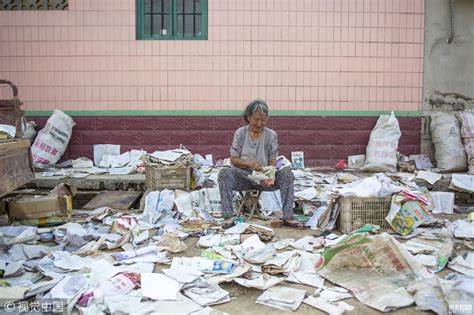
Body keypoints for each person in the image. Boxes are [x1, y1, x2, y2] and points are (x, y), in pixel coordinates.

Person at [218, 99, 304, 229]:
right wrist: (248, 163)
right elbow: (233, 159)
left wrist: (269, 177)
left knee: (287, 174)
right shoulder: (240, 133)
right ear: (248, 118)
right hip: (243, 177)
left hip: (264, 177)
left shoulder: (271, 135)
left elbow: (273, 161)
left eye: (263, 120)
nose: (259, 123)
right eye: (256, 120)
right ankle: (228, 217)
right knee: (224, 173)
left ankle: (288, 217)